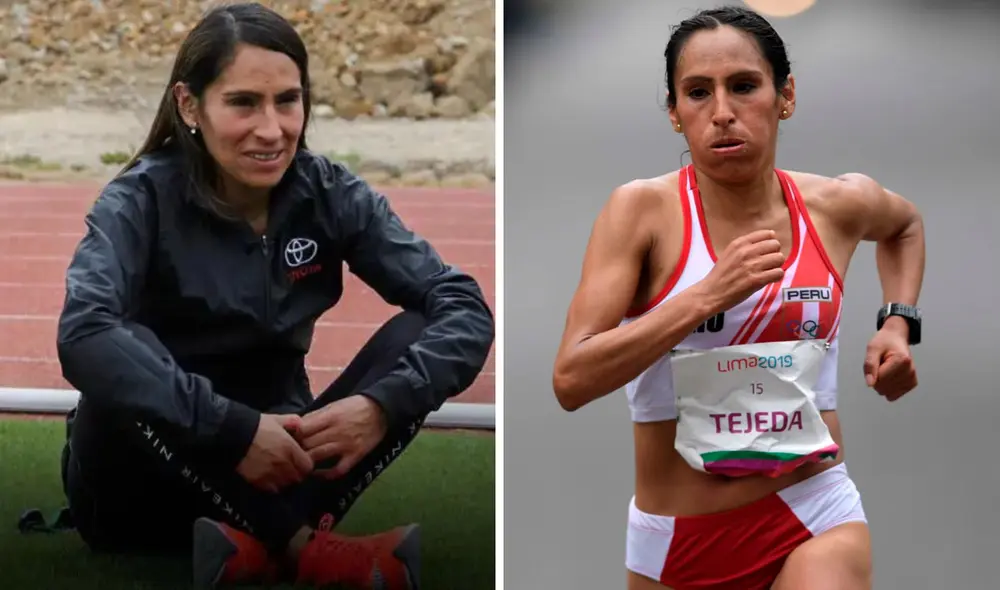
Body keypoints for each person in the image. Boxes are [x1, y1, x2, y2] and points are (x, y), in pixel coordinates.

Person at [54, 3, 495, 589]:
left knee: (420, 329)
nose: (272, 129)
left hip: (289, 468)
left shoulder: (329, 192)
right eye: (243, 103)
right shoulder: (137, 201)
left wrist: (382, 404)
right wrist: (230, 430)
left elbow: (462, 304)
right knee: (120, 347)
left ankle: (255, 551)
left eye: (287, 100)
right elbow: (83, 334)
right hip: (138, 491)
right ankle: (304, 548)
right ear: (190, 105)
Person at [551, 6, 924, 590]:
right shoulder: (640, 213)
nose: (722, 113)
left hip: (813, 510)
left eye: (744, 86)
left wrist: (897, 324)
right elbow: (571, 380)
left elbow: (904, 227)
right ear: (674, 113)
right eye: (698, 93)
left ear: (785, 96)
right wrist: (703, 298)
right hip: (676, 543)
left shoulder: (836, 205)